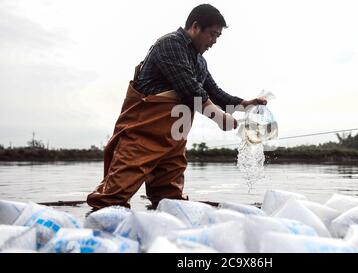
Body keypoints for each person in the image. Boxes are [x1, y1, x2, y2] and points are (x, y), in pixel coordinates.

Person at [86, 4, 267, 211]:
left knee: (169, 199)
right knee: (112, 197)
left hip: (174, 138)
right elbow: (190, 90)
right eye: (212, 34)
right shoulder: (170, 44)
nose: (214, 41)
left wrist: (245, 104)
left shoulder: (200, 61)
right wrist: (218, 117)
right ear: (196, 27)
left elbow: (214, 93)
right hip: (143, 133)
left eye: (218, 37)